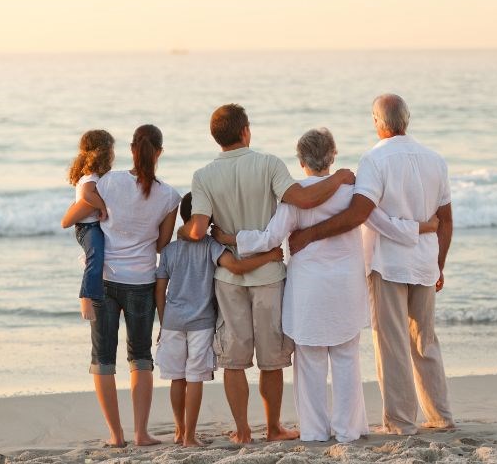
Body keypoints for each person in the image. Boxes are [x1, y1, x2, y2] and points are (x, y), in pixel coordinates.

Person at [214, 128, 438, 442]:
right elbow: (383, 224)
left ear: (301, 159)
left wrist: (230, 238)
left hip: (309, 289)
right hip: (346, 285)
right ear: (332, 156)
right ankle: (348, 430)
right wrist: (423, 228)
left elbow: (268, 239)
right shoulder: (351, 192)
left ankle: (316, 431)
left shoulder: (294, 197)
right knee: (347, 359)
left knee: (310, 363)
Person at [178, 104, 355, 443]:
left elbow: (199, 229)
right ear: (246, 131)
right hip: (270, 275)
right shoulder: (269, 164)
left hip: (228, 279)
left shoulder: (202, 176)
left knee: (233, 357)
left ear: (217, 137)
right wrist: (340, 177)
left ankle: (243, 431)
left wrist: (184, 234)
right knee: (271, 358)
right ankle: (273, 428)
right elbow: (301, 199)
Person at [289, 94, 455, 435]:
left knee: (391, 342)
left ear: (378, 123)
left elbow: (359, 213)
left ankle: (401, 421)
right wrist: (439, 263)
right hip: (424, 262)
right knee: (425, 341)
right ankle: (440, 415)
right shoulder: (435, 159)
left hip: (389, 263)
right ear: (406, 120)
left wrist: (311, 235)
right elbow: (446, 220)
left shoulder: (375, 160)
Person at [62, 124, 181, 447]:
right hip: (141, 280)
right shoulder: (170, 196)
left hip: (104, 280)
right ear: (159, 153)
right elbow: (161, 244)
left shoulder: (109, 181)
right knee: (140, 357)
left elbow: (82, 211)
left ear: (131, 149)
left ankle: (116, 436)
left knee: (103, 358)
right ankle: (141, 433)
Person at [155, 192, 286, 448]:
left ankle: (180, 431)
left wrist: (163, 320)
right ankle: (190, 437)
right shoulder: (211, 246)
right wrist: (269, 257)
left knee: (177, 378)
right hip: (201, 323)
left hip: (172, 322)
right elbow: (236, 268)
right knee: (194, 377)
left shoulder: (169, 251)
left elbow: (160, 289)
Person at [60, 130, 115, 321]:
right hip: (88, 227)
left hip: (91, 226)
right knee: (96, 257)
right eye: (111, 149)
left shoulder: (93, 176)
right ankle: (86, 297)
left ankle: (104, 296)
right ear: (104, 152)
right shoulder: (90, 178)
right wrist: (103, 207)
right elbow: (87, 196)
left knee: (100, 257)